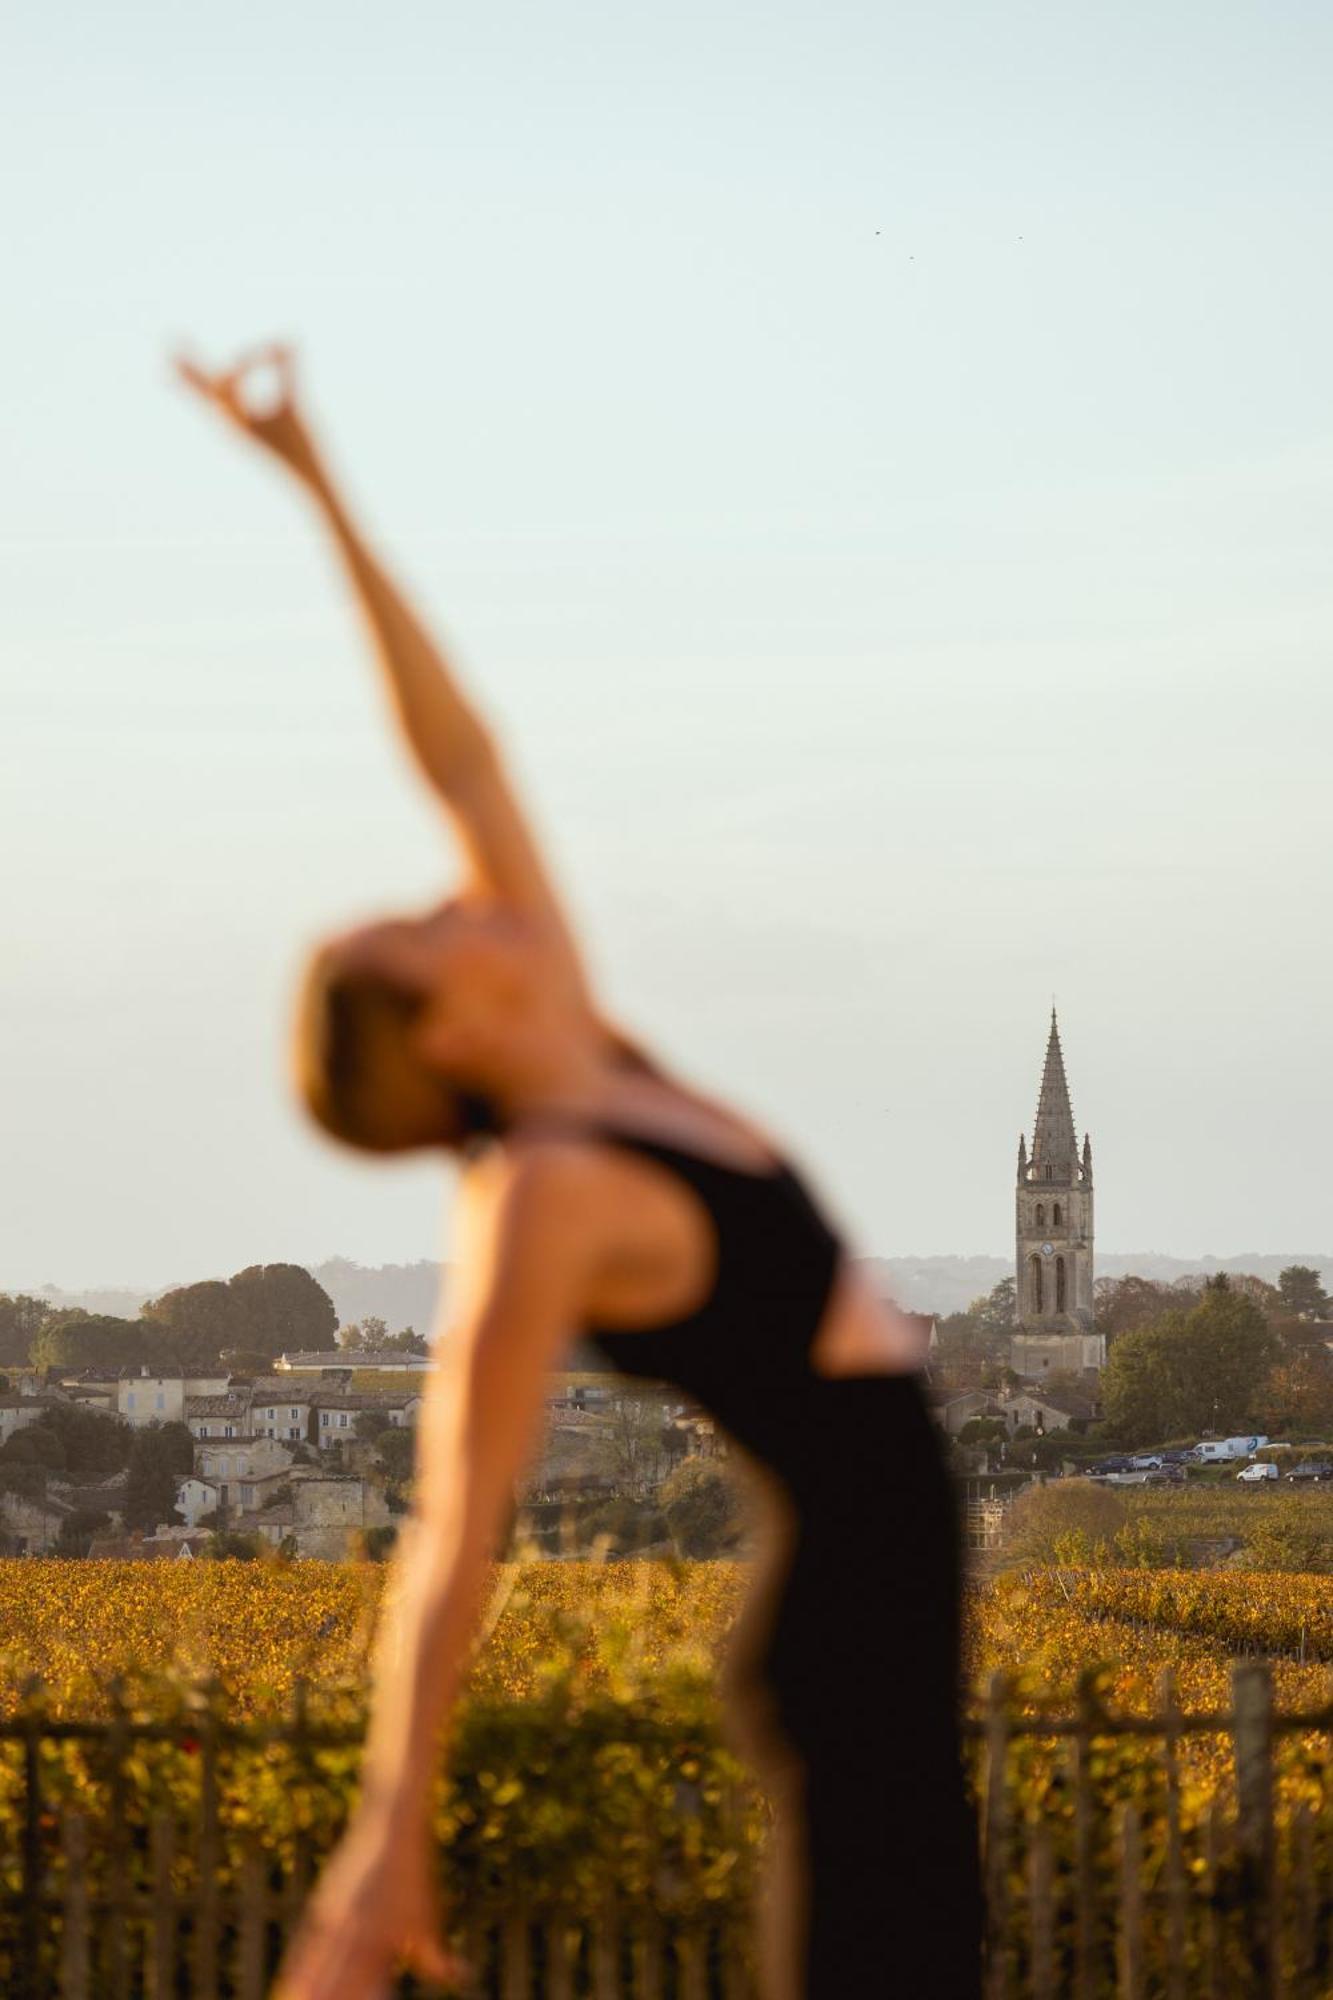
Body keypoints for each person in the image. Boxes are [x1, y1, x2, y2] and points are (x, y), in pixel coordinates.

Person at [174, 342, 985, 2000]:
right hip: (848, 1647)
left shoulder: (584, 1044)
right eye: (415, 926)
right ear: (446, 1033)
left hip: (886, 1629)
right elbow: (454, 1529)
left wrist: (316, 482)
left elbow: (461, 754)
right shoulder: (542, 1191)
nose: (447, 893)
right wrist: (388, 1828)